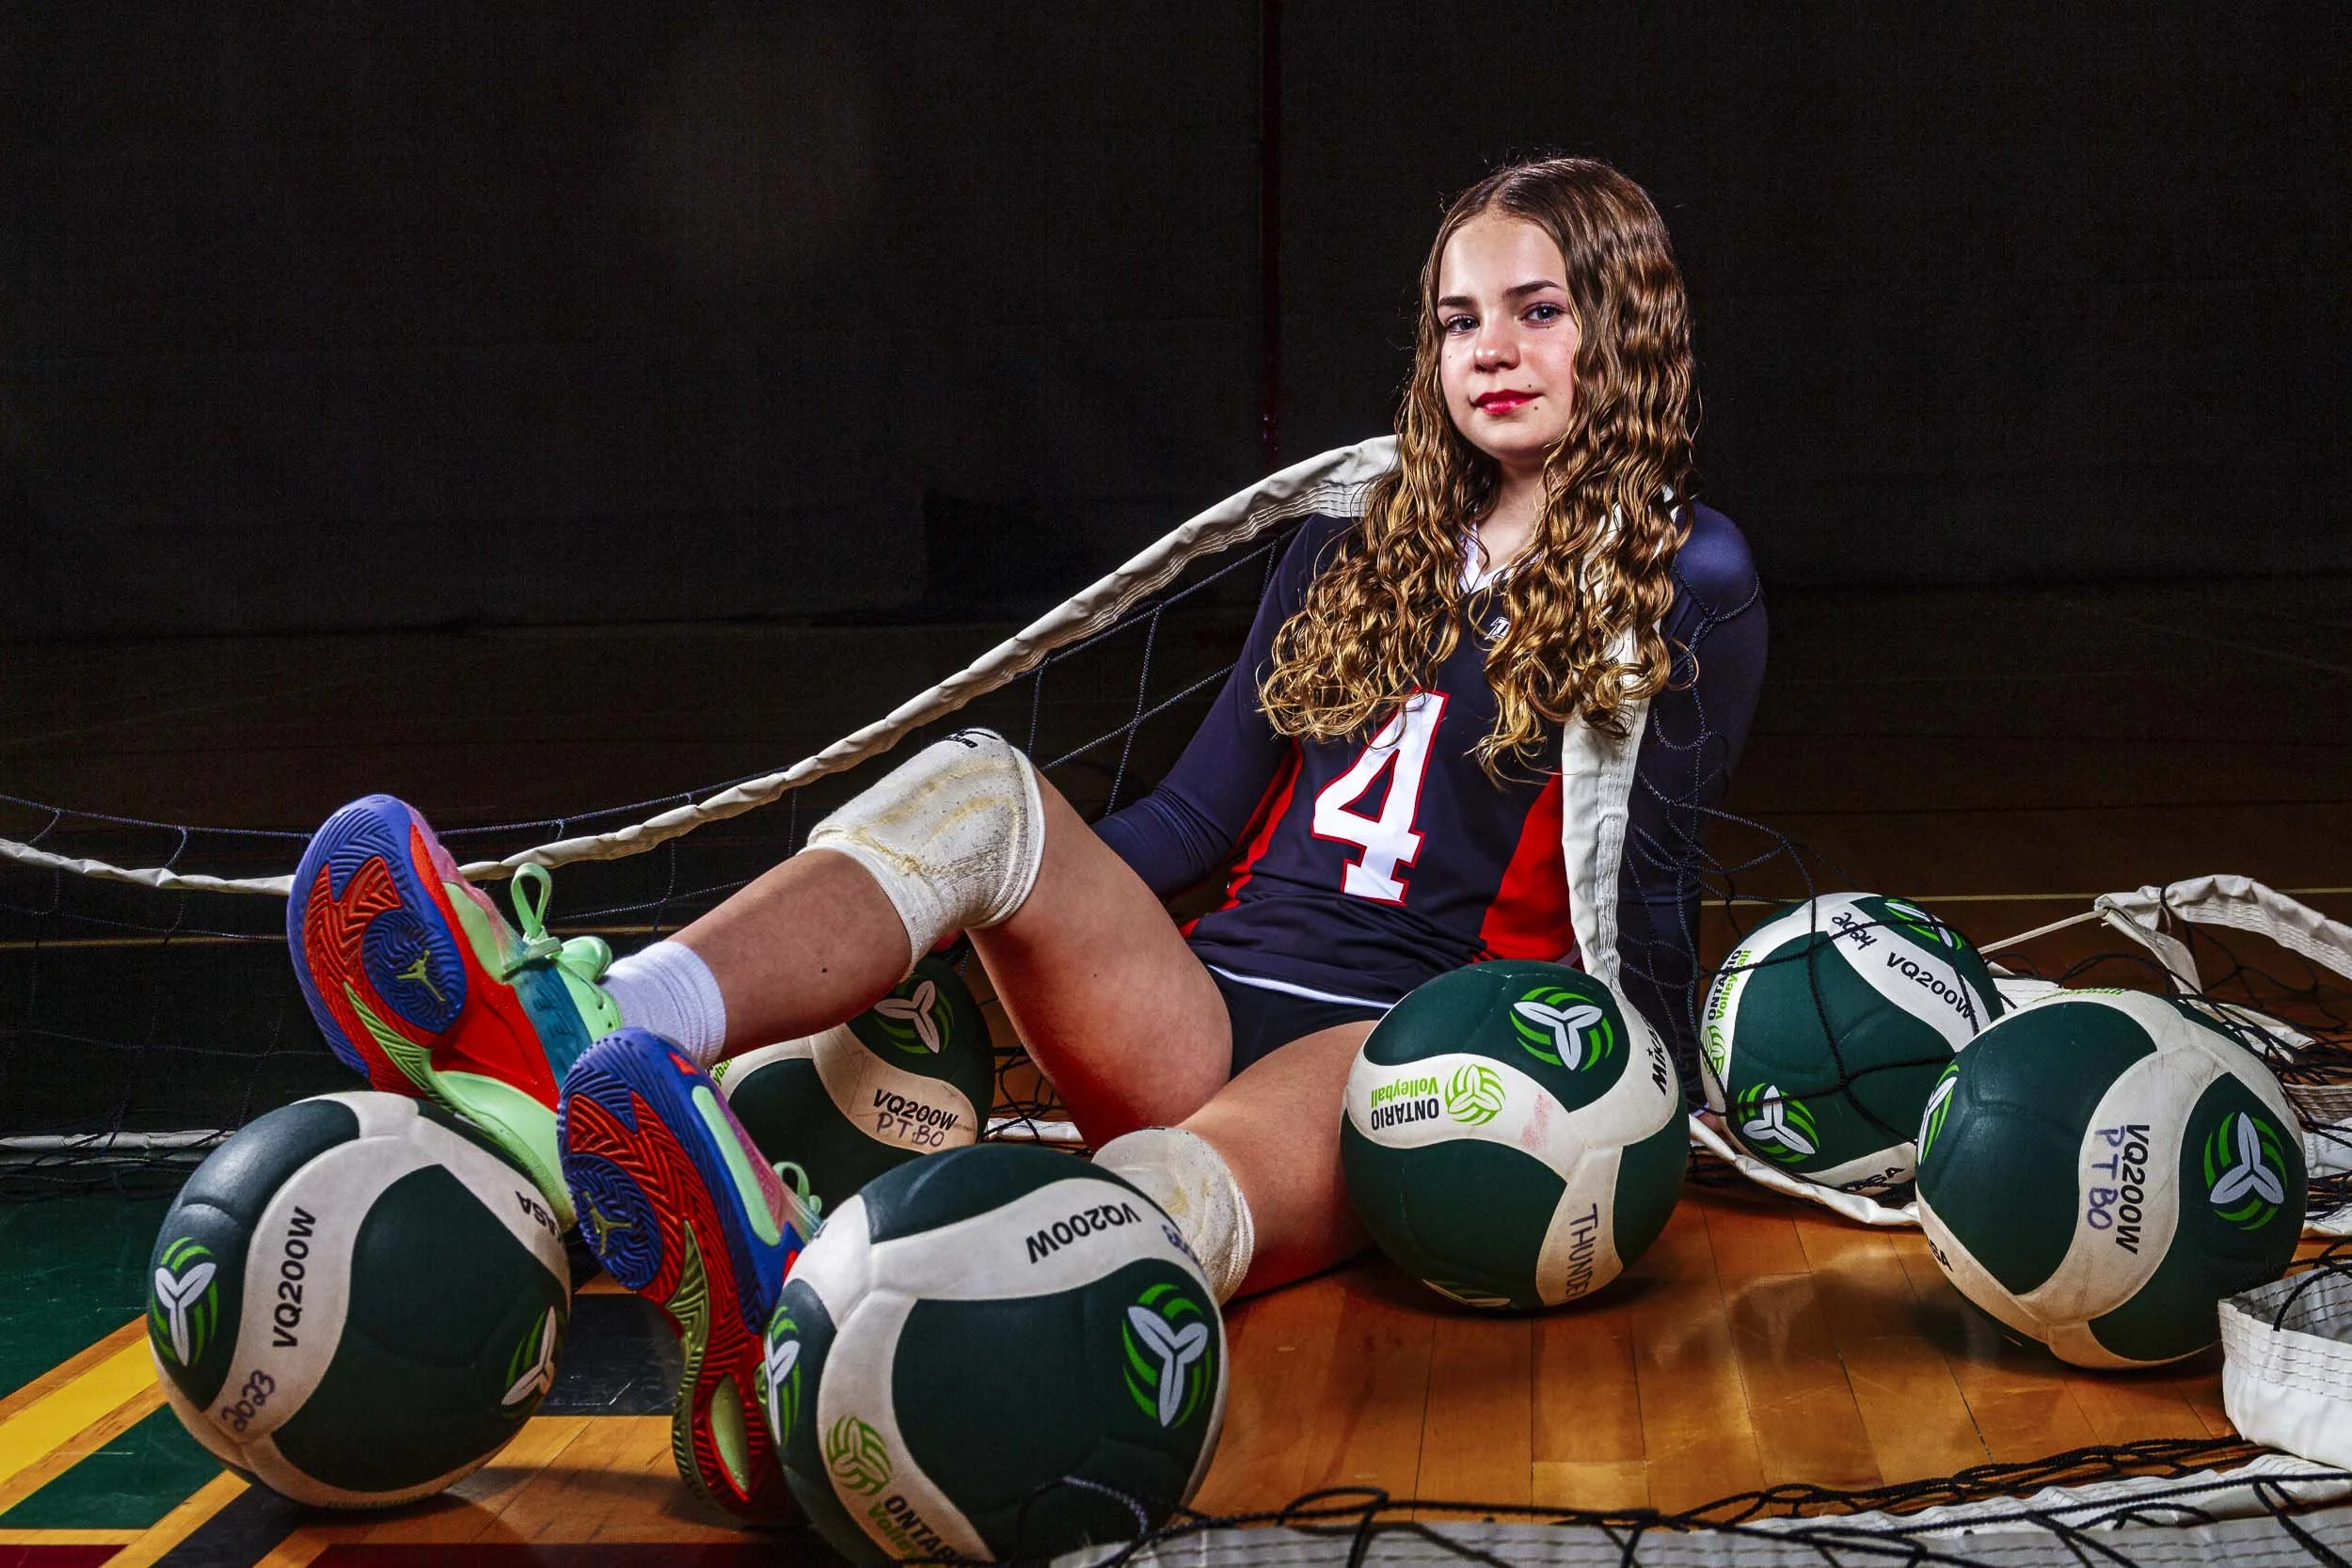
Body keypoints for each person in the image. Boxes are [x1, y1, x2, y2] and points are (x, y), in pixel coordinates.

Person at [284, 156, 1766, 1523]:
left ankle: (810, 1323)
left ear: (1622, 331)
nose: (1490, 352)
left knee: (1183, 1192)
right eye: (1457, 320)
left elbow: (1638, 892)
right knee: (990, 784)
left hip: (1403, 1055)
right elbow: (1190, 819)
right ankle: (596, 1024)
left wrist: (1652, 1108)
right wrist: (1005, 916)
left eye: (1538, 312)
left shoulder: (1687, 571)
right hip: (1203, 1000)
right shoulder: (1355, 531)